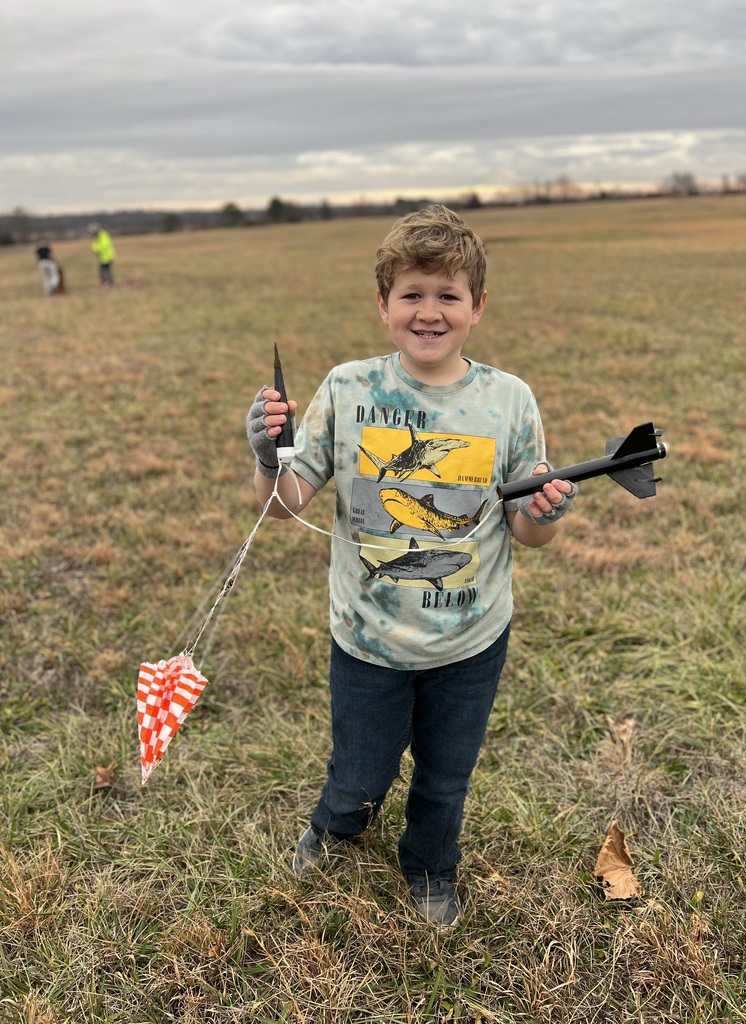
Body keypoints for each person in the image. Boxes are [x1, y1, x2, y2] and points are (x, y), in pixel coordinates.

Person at [245, 205, 578, 928]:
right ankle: (337, 826)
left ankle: (431, 863)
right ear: (384, 306)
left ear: (478, 307)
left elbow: (525, 530)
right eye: (412, 295)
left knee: (445, 776)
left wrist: (545, 514)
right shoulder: (348, 389)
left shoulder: (508, 402)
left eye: (448, 295)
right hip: (367, 640)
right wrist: (267, 456)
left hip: (471, 641)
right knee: (360, 770)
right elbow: (285, 501)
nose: (430, 312)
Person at [87, 222, 116, 287]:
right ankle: (106, 282)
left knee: (105, 271)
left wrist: (97, 249)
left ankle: (108, 283)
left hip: (108, 257)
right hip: (102, 257)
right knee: (102, 271)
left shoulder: (103, 235)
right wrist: (94, 250)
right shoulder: (96, 237)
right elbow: (93, 246)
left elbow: (105, 245)